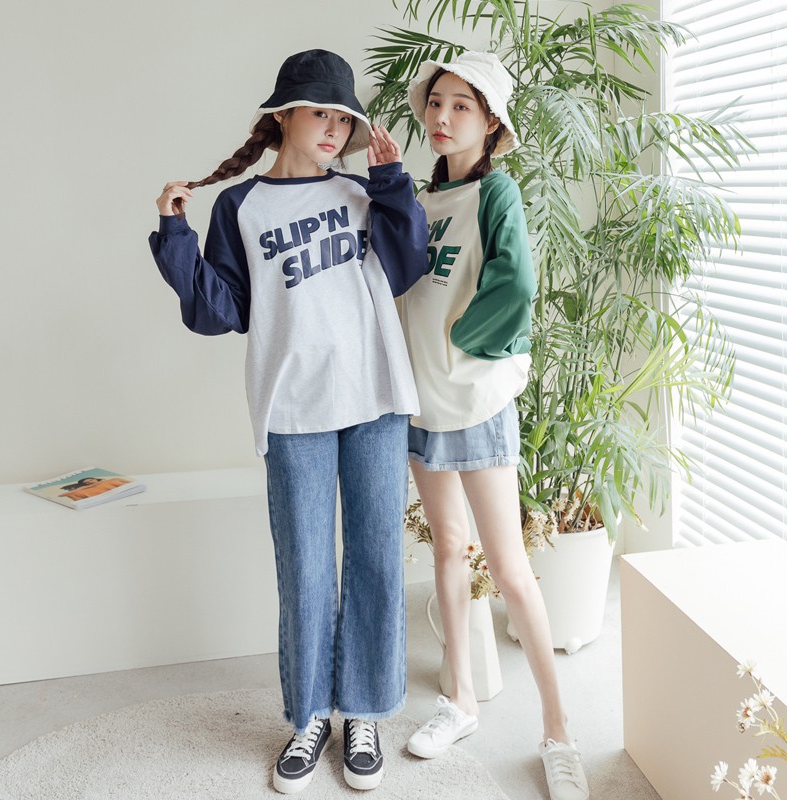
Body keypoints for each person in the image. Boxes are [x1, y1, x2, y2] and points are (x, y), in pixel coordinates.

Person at [148, 49, 428, 795]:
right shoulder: (240, 207)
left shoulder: (361, 191)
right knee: (305, 570)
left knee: (375, 561)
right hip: (292, 408)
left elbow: (408, 266)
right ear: (283, 117)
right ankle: (308, 717)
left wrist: (392, 181)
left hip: (374, 396)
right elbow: (220, 312)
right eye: (319, 113)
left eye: (343, 117)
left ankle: (362, 711)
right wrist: (175, 236)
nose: (333, 128)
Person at [400, 52, 590, 800]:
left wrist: (457, 345)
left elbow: (516, 286)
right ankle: (461, 702)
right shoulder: (420, 199)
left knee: (509, 568)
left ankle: (558, 733)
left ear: (489, 123)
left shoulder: (496, 192)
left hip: (474, 400)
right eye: (436, 103)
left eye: (461, 106)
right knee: (448, 549)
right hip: (422, 404)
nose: (442, 117)